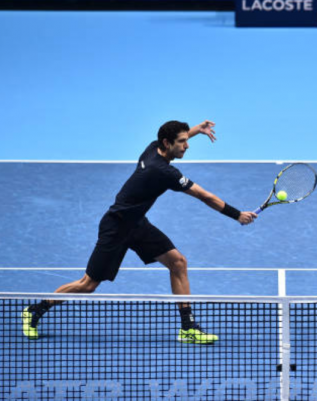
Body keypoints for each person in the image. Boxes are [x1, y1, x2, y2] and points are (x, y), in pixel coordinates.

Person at [22, 119, 257, 343]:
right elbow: (205, 196)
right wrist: (237, 215)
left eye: (188, 140)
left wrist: (197, 129)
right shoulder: (164, 172)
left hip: (136, 224)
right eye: (182, 142)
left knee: (178, 263)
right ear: (167, 143)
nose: (187, 146)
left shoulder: (153, 148)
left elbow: (176, 140)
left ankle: (188, 329)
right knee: (88, 285)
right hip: (116, 227)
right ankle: (35, 310)